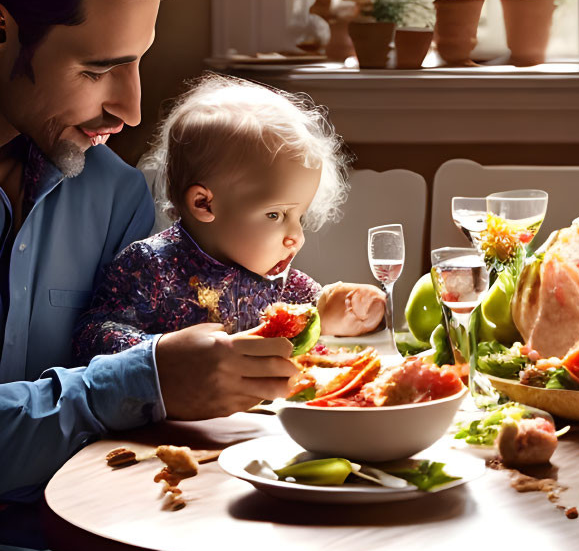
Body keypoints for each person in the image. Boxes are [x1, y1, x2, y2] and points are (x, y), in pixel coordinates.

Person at [0, 0, 299, 551]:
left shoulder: (111, 194)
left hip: (95, 527)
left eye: (137, 63)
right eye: (100, 68)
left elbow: (152, 374)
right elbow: (128, 384)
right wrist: (144, 378)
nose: (130, 109)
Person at [73, 74, 386, 363]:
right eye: (275, 214)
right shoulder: (149, 266)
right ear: (204, 204)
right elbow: (93, 337)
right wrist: (163, 353)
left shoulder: (280, 282)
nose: (296, 236)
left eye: (299, 217)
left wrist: (343, 310)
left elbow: (314, 313)